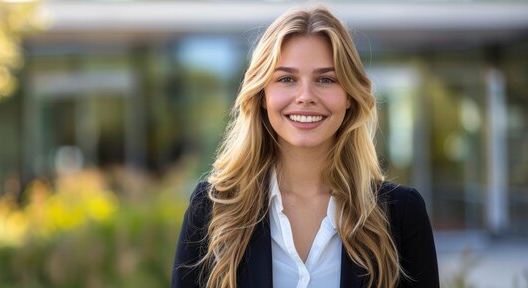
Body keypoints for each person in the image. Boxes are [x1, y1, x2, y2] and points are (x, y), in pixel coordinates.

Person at [172, 5, 439, 288]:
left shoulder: (401, 214)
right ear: (262, 95)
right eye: (287, 79)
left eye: (326, 79)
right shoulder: (213, 209)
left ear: (349, 95)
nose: (305, 96)